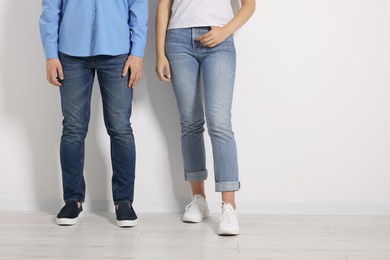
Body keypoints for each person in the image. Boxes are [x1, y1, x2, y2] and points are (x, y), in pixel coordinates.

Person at [39, 0, 148, 227]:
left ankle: (124, 202)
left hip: (118, 51)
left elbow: (138, 6)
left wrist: (137, 52)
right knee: (72, 129)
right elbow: (51, 8)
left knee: (120, 128)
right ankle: (73, 200)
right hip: (70, 52)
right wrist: (50, 55)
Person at [155, 0, 255, 235]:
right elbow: (163, 5)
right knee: (190, 122)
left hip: (218, 39)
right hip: (178, 40)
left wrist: (225, 31)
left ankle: (228, 207)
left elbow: (249, 5)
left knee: (219, 123)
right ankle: (198, 198)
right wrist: (160, 53)